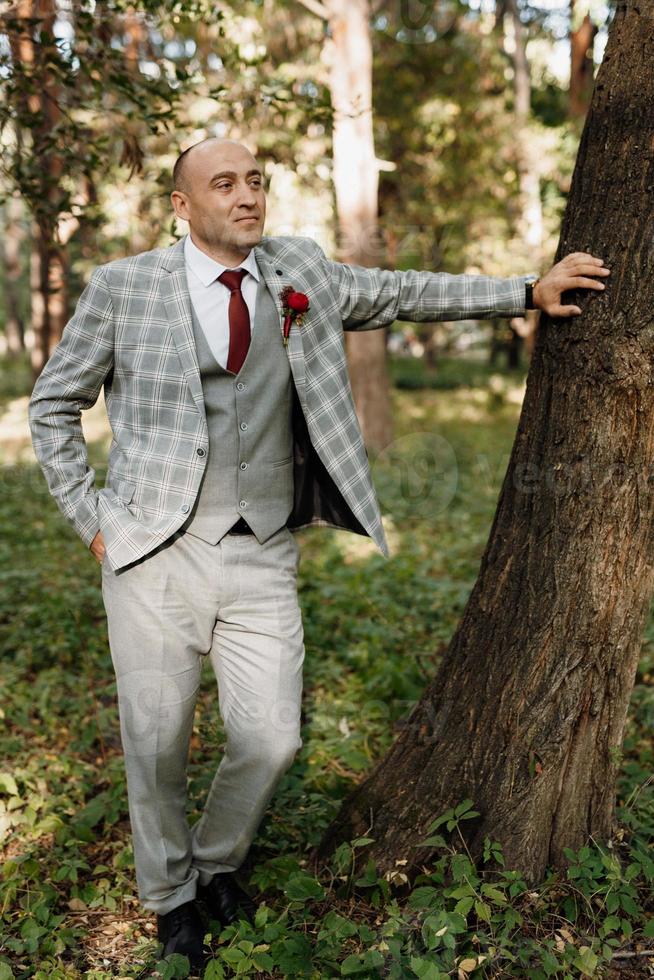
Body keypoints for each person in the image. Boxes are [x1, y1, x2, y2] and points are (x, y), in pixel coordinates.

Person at [28, 137, 610, 968]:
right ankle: (171, 899)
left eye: (255, 181)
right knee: (155, 747)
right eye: (223, 184)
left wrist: (525, 290)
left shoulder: (296, 268)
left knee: (272, 738)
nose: (246, 196)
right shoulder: (125, 287)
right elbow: (53, 404)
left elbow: (401, 291)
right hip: (153, 552)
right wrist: (92, 518)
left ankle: (217, 860)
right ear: (182, 206)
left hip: (263, 546)